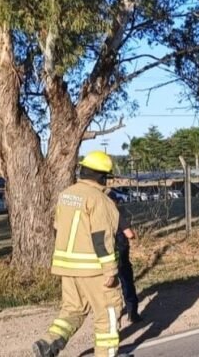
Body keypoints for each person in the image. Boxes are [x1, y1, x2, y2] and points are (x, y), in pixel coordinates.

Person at [33, 151, 125, 357]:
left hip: (67, 267)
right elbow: (101, 237)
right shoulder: (99, 199)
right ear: (103, 177)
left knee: (72, 310)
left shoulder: (66, 195)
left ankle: (49, 344)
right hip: (93, 270)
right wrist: (109, 270)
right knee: (108, 313)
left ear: (83, 171)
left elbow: (58, 227)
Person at [116, 212, 142, 323]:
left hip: (104, 257)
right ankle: (132, 314)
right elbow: (129, 234)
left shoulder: (97, 215)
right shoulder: (117, 215)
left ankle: (112, 318)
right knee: (127, 283)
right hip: (120, 255)